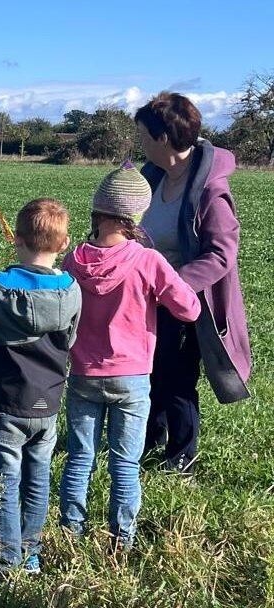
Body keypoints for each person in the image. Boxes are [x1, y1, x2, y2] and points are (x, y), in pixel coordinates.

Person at [59, 162, 200, 550]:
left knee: (79, 458)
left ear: (97, 212)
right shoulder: (149, 261)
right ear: (136, 216)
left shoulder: (73, 259)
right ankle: (122, 540)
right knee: (125, 464)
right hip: (133, 378)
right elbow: (189, 309)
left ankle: (70, 533)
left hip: (83, 374)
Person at [0, 199, 82, 575]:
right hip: (49, 400)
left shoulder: (0, 287)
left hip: (6, 400)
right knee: (38, 476)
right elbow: (71, 339)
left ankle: (8, 557)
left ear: (17, 239)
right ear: (64, 244)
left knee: (6, 481)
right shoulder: (72, 289)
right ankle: (31, 553)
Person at [135, 92, 253, 476]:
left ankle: (181, 458)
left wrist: (173, 286)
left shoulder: (210, 191)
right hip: (148, 298)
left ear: (164, 139)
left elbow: (221, 254)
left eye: (143, 136)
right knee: (149, 372)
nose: (140, 144)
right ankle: (149, 444)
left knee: (178, 378)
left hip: (186, 302)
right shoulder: (150, 179)